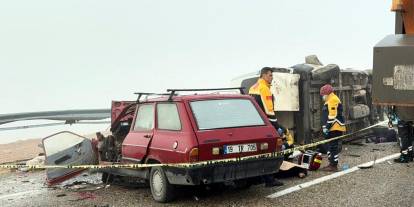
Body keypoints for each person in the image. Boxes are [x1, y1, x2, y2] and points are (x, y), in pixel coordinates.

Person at [249, 67, 284, 187]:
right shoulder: (264, 89)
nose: (272, 77)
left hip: (254, 125)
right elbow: (270, 112)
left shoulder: (253, 87)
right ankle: (270, 180)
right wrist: (278, 127)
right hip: (266, 126)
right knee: (271, 151)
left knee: (256, 152)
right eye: (270, 75)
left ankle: (256, 178)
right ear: (263, 75)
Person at [319, 84, 346, 172]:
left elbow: (332, 115)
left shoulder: (333, 99)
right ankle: (331, 164)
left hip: (335, 127)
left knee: (333, 146)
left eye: (322, 95)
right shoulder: (330, 100)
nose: (322, 97)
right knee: (330, 146)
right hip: (332, 128)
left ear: (326, 93)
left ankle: (333, 165)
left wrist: (327, 127)